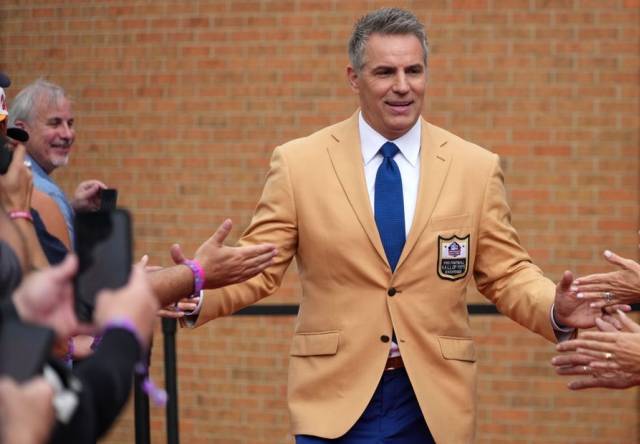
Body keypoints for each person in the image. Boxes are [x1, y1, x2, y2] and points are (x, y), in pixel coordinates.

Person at [173, 8, 601, 443]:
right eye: (385, 72)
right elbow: (259, 268)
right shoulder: (299, 163)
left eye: (413, 70)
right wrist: (193, 289)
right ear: (354, 78)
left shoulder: (475, 167)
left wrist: (555, 307)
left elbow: (507, 272)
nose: (402, 86)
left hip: (432, 405)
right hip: (332, 400)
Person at [8, 79, 107, 248]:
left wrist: (70, 209)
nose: (67, 134)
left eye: (70, 124)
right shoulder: (45, 192)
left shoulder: (9, 175)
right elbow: (67, 270)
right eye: (54, 123)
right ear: (21, 130)